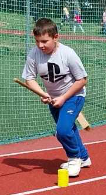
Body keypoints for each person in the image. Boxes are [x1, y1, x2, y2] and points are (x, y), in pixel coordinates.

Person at [20, 18, 92, 178]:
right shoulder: (33, 54)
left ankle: (74, 159)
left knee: (62, 131)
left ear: (56, 37)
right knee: (69, 128)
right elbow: (29, 79)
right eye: (37, 41)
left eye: (44, 41)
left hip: (74, 95)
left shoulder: (68, 53)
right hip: (53, 99)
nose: (40, 45)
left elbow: (82, 80)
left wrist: (63, 98)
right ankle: (84, 157)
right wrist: (43, 94)